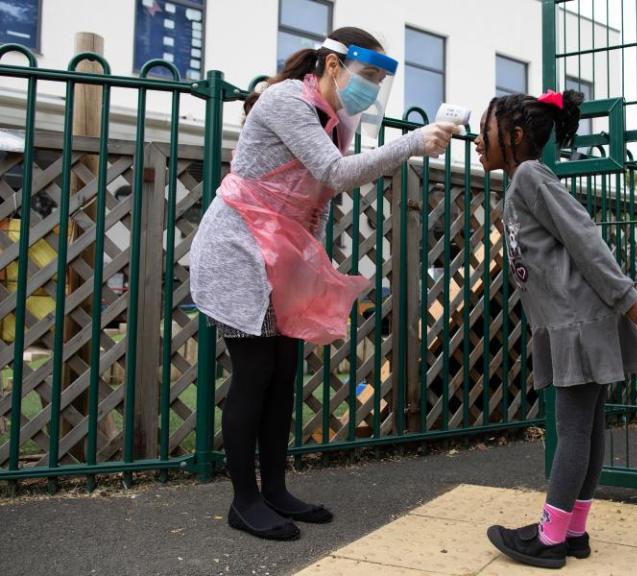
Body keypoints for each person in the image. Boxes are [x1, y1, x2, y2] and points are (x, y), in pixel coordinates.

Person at [189, 26, 457, 541]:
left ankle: (276, 491)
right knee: (254, 374)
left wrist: (309, 263)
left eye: (380, 78)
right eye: (368, 74)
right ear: (333, 65)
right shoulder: (287, 99)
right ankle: (244, 501)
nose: (372, 87)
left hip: (279, 255)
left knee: (284, 372)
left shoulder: (336, 119)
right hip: (239, 249)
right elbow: (334, 174)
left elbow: (316, 198)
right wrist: (413, 143)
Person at [475, 89, 637, 569]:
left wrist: (627, 299)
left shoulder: (532, 177)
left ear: (516, 137)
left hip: (580, 322)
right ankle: (572, 530)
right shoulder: (520, 183)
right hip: (570, 321)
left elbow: (582, 234)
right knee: (588, 427)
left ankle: (549, 539)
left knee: (574, 431)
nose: (477, 141)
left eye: (485, 132)